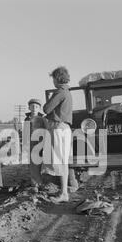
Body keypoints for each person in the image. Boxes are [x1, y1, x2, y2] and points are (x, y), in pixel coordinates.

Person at [42, 66, 73, 203]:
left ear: (57, 78)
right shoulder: (67, 92)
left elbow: (47, 108)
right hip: (64, 128)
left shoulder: (60, 92)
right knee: (63, 162)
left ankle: (64, 193)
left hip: (58, 128)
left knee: (59, 161)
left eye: (53, 78)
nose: (53, 81)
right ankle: (64, 192)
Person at [23, 98, 44, 191]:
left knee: (41, 163)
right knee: (32, 164)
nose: (34, 108)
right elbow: (25, 132)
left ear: (39, 108)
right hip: (30, 143)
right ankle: (34, 183)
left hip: (40, 143)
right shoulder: (27, 119)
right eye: (32, 106)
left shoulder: (43, 119)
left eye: (36, 106)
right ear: (29, 108)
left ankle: (41, 182)